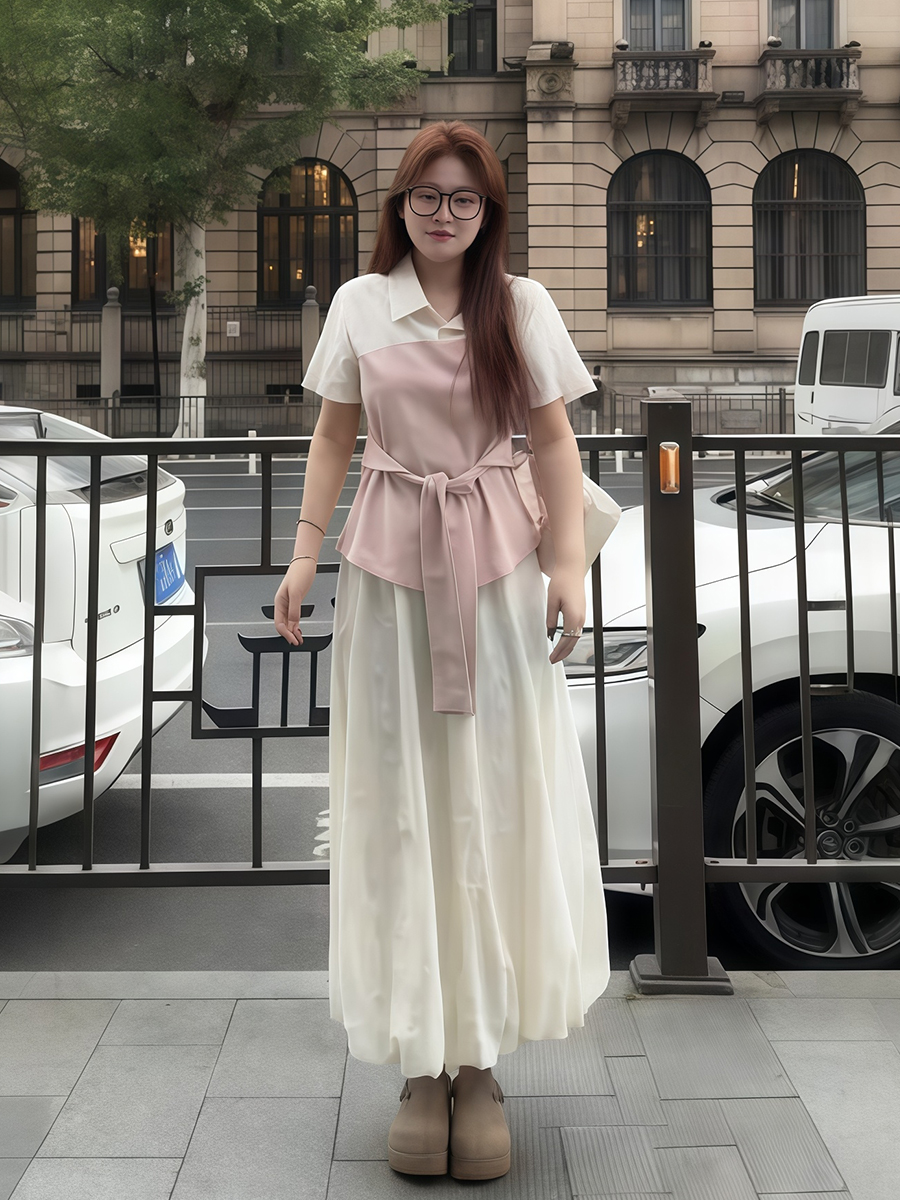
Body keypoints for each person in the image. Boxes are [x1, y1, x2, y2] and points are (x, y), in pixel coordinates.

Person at [273, 119, 610, 1182]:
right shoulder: (359, 305)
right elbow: (335, 435)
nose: (444, 213)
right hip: (388, 583)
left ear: (489, 210)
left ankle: (479, 1066)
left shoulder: (522, 304)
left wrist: (569, 569)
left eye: (465, 198)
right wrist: (303, 555)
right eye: (427, 195)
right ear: (400, 205)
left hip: (498, 582)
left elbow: (552, 439)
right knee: (402, 806)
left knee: (491, 801)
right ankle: (421, 1063)